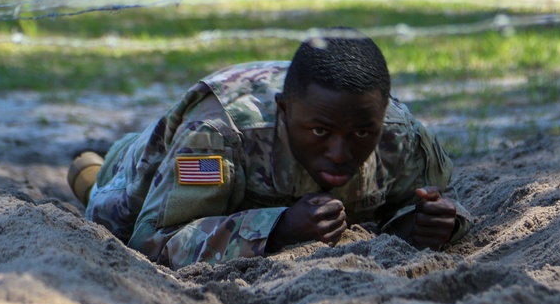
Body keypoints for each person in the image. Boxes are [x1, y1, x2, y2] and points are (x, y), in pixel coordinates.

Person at [69, 27, 473, 269]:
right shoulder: (217, 136)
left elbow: (414, 204)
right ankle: (90, 170)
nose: (340, 152)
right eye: (319, 132)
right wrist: (277, 230)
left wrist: (424, 223)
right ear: (283, 112)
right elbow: (153, 241)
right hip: (152, 160)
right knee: (113, 211)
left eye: (361, 135)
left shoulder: (397, 132)